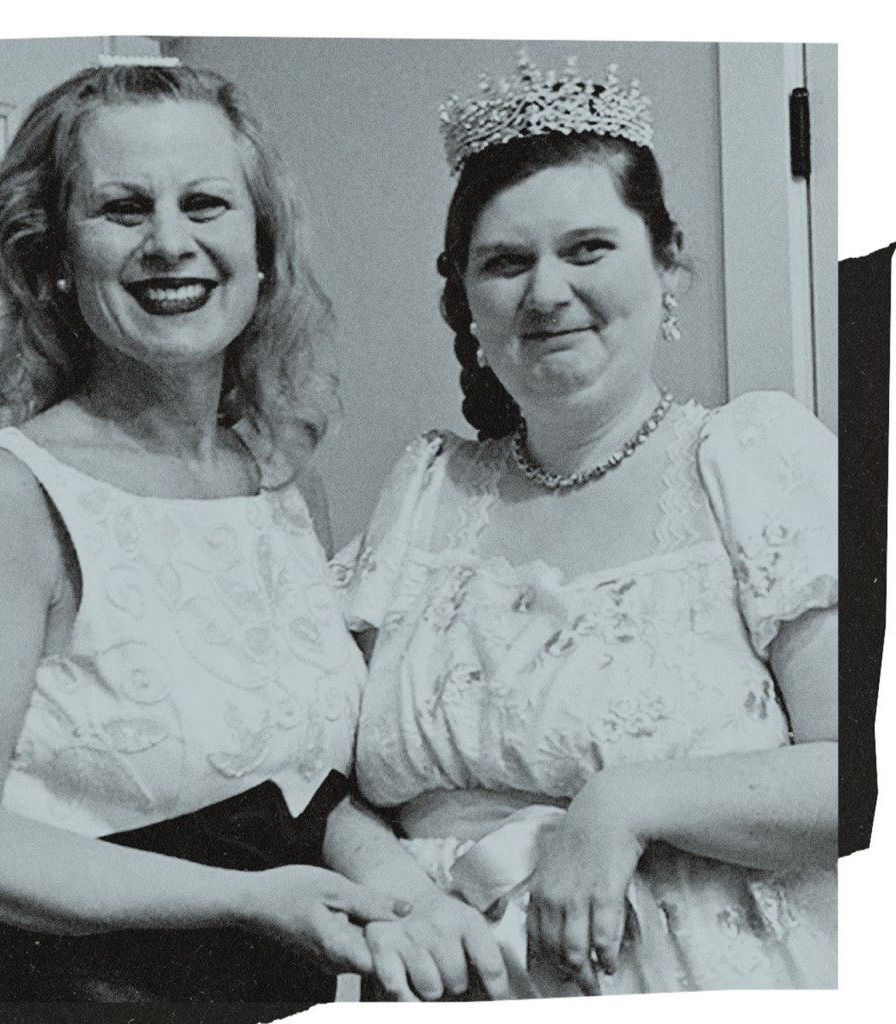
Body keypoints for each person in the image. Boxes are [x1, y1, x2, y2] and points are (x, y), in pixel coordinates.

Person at [330, 55, 838, 998]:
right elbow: (322, 779)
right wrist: (398, 891)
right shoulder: (426, 488)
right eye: (506, 262)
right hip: (453, 982)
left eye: (587, 248)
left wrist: (625, 803)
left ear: (667, 262)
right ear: (466, 300)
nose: (546, 291)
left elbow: (866, 777)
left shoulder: (750, 460)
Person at [0, 59, 410, 1005]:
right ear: (52, 254)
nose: (170, 242)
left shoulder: (285, 486)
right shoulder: (3, 494)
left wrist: (408, 896)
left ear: (260, 247)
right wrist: (243, 902)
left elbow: (295, 784)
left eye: (206, 203)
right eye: (122, 209)